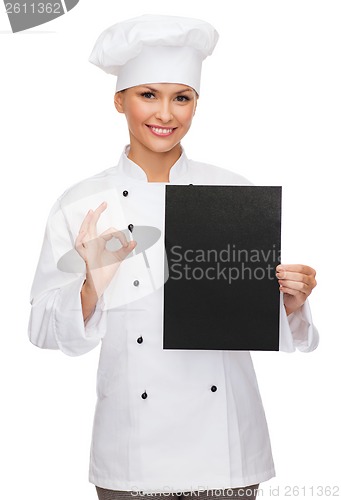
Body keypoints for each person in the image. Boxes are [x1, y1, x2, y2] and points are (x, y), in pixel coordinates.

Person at [28, 14, 318, 500]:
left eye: (181, 97)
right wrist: (92, 283)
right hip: (131, 454)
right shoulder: (81, 203)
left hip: (226, 448)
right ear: (119, 99)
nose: (165, 113)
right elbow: (40, 328)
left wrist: (290, 303)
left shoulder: (234, 192)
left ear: (196, 105)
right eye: (148, 94)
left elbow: (251, 316)